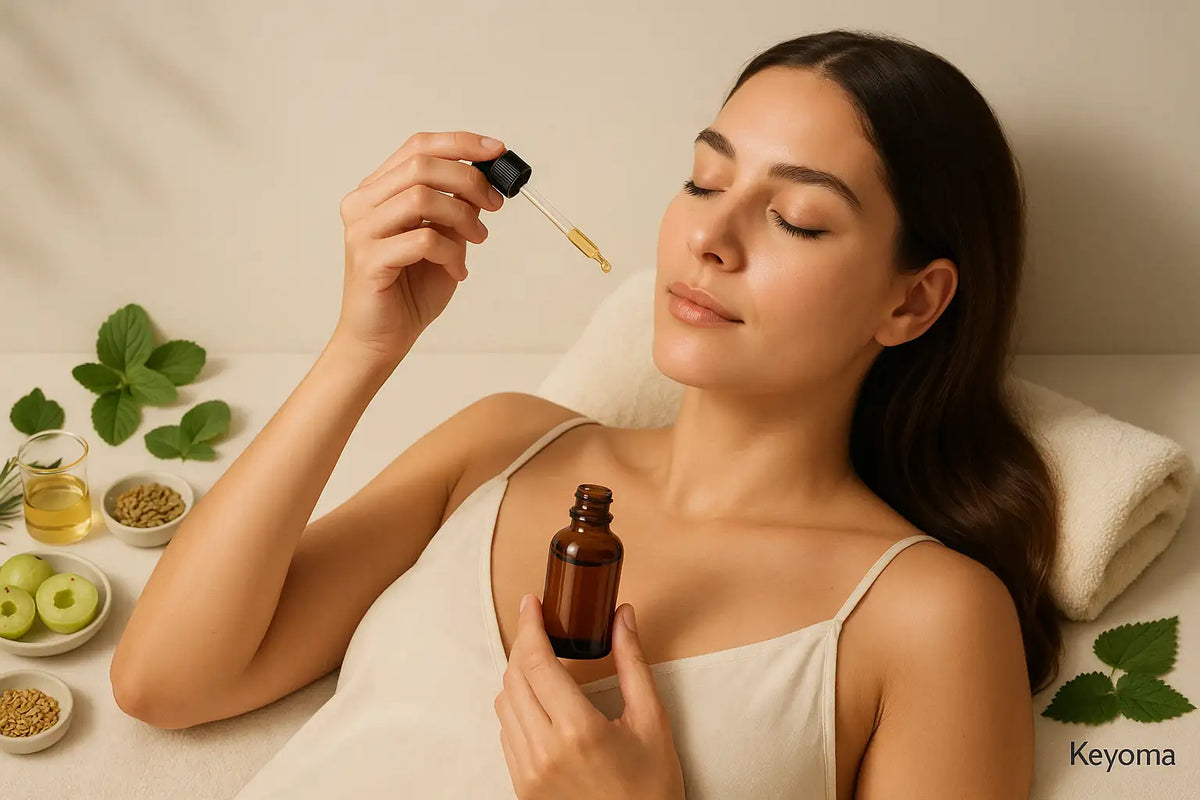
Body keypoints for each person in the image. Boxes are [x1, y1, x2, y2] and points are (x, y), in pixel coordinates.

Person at [110, 28, 1063, 800]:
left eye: (797, 219)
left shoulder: (930, 618)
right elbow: (166, 682)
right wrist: (364, 346)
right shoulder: (505, 443)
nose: (711, 237)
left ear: (912, 303)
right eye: (704, 179)